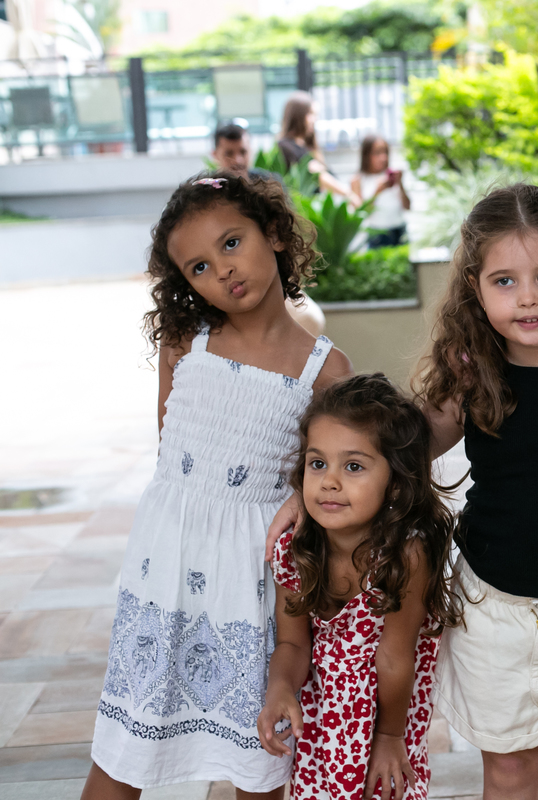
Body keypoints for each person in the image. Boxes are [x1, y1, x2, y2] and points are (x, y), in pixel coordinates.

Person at [270, 184, 538, 799]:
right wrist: (310, 490)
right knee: (508, 771)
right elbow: (395, 454)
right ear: (475, 288)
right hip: (493, 613)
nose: (527, 297)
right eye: (504, 281)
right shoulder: (472, 378)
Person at [82, 173, 352, 800]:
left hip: (252, 574)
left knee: (258, 750)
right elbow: (169, 449)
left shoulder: (325, 369)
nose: (223, 270)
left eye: (232, 243)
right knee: (125, 747)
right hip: (166, 563)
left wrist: (300, 497)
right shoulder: (187, 342)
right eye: (199, 267)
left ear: (275, 233)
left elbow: (335, 467)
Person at [258, 373, 459, 800]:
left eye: (353, 466)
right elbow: (293, 643)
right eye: (318, 464)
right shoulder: (294, 551)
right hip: (322, 726)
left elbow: (395, 657)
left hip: (387, 717)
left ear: (396, 482)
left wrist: (389, 737)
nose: (329, 481)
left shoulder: (405, 555)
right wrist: (279, 688)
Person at [212, 122, 328, 338]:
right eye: (229, 153)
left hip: (272, 282)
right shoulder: (204, 196)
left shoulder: (269, 184)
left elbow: (288, 235)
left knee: (312, 319)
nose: (238, 160)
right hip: (223, 288)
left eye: (243, 152)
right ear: (215, 154)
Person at [278, 91, 363, 207]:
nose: (314, 119)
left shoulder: (308, 146)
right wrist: (349, 195)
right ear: (298, 115)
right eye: (311, 114)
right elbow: (318, 176)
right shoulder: (285, 147)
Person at [352, 135, 411, 249]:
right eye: (377, 152)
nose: (383, 157)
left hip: (400, 230)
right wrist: (377, 191)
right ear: (366, 155)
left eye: (385, 152)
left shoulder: (392, 175)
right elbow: (361, 213)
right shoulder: (358, 180)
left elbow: (408, 206)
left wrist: (400, 183)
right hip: (377, 235)